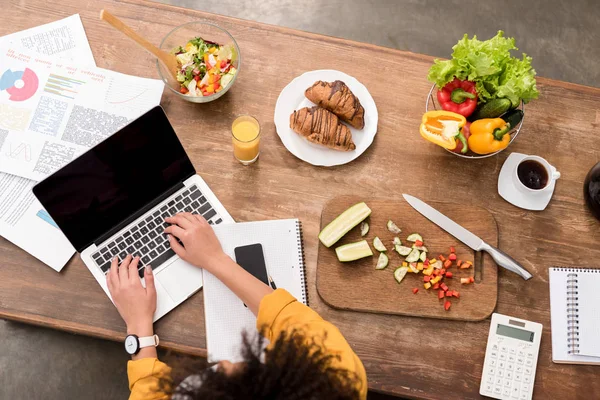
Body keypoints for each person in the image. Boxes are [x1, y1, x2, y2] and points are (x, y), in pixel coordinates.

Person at [107, 212, 367, 400]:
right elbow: (288, 318)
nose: (227, 363)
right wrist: (214, 259)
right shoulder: (339, 378)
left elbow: (149, 394)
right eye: (247, 369)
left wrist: (138, 327)